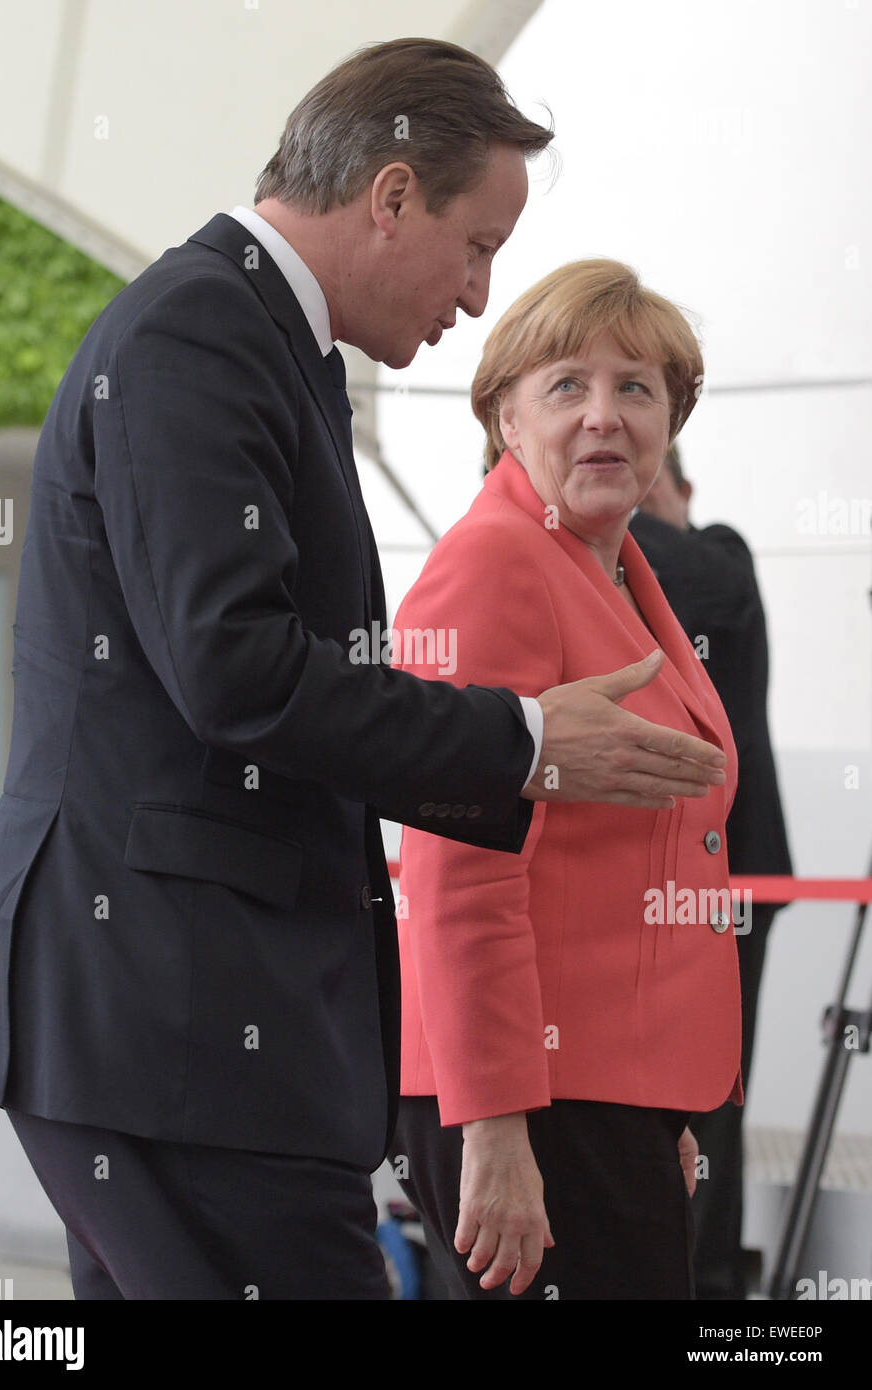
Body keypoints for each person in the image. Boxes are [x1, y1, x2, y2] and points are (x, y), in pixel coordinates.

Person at [0, 44, 727, 1301]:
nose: (478, 296)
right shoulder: (201, 333)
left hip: (180, 1026)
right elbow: (235, 672)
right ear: (394, 195)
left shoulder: (254, 341)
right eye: (477, 247)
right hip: (179, 1025)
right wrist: (524, 739)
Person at [390, 259, 742, 1300]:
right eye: (566, 387)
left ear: (672, 417)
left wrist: (656, 1108)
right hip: (527, 1097)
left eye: (637, 388)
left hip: (601, 1098)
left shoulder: (614, 568)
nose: (605, 417)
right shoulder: (497, 563)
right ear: (504, 415)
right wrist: (495, 1130)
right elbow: (458, 869)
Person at [630, 446, 793, 1299]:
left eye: (645, 482)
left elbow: (685, 573)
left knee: (711, 1102)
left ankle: (715, 1291)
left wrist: (591, 496)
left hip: (734, 880)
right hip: (656, 880)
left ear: (686, 493)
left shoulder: (719, 555)